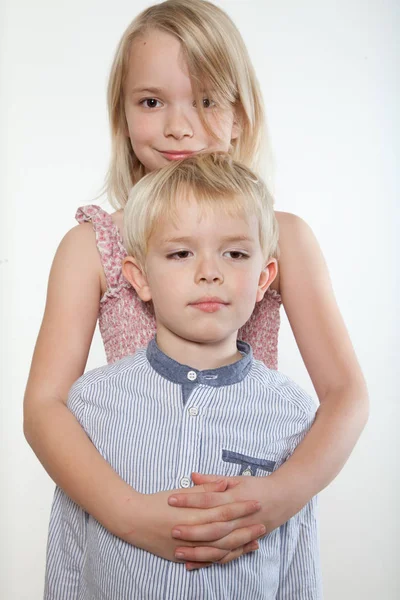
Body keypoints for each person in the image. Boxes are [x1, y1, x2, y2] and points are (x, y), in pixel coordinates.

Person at [24, 0, 368, 571]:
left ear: (240, 115)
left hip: (242, 521)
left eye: (206, 100)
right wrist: (129, 514)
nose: (178, 126)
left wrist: (277, 498)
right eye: (152, 101)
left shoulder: (281, 239)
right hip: (124, 522)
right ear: (122, 114)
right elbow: (44, 406)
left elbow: (346, 396)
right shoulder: (93, 245)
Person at [45, 153, 322, 599]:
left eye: (234, 253)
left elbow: (298, 568)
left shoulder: (291, 414)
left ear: (263, 278)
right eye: (180, 253)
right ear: (140, 278)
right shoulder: (91, 405)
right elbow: (70, 557)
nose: (209, 272)